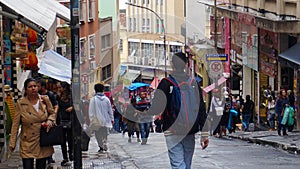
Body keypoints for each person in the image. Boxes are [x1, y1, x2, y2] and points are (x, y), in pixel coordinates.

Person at [147, 52, 209, 169]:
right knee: (187, 163)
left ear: (172, 65)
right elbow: (201, 109)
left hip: (172, 129)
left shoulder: (165, 83)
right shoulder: (194, 84)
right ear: (186, 64)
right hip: (190, 129)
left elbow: (156, 107)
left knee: (177, 164)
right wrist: (204, 134)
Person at [9, 78, 56, 169]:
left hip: (42, 139)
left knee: (41, 166)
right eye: (30, 87)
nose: (33, 88)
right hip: (27, 141)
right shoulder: (21, 103)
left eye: (35, 86)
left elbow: (52, 113)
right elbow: (15, 124)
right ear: (26, 89)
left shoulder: (44, 100)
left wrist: (49, 121)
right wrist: (12, 142)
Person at [36, 78, 58, 164]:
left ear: (43, 86)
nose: (36, 88)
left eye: (38, 86)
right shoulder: (37, 95)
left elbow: (56, 106)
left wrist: (53, 117)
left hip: (49, 119)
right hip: (40, 120)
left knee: (49, 138)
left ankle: (49, 157)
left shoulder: (50, 95)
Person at [89, 83, 114, 152]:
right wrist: (112, 119)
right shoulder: (106, 99)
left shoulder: (93, 100)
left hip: (97, 120)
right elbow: (110, 110)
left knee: (98, 133)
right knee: (104, 132)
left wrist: (91, 119)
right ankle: (104, 142)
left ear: (95, 90)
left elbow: (91, 111)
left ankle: (101, 146)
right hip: (106, 120)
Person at [56, 81, 74, 166]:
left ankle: (71, 154)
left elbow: (78, 105)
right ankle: (65, 157)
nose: (59, 89)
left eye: (60, 87)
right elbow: (56, 107)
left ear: (64, 88)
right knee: (62, 140)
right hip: (61, 121)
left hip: (70, 121)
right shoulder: (58, 97)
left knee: (70, 139)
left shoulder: (71, 97)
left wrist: (72, 108)